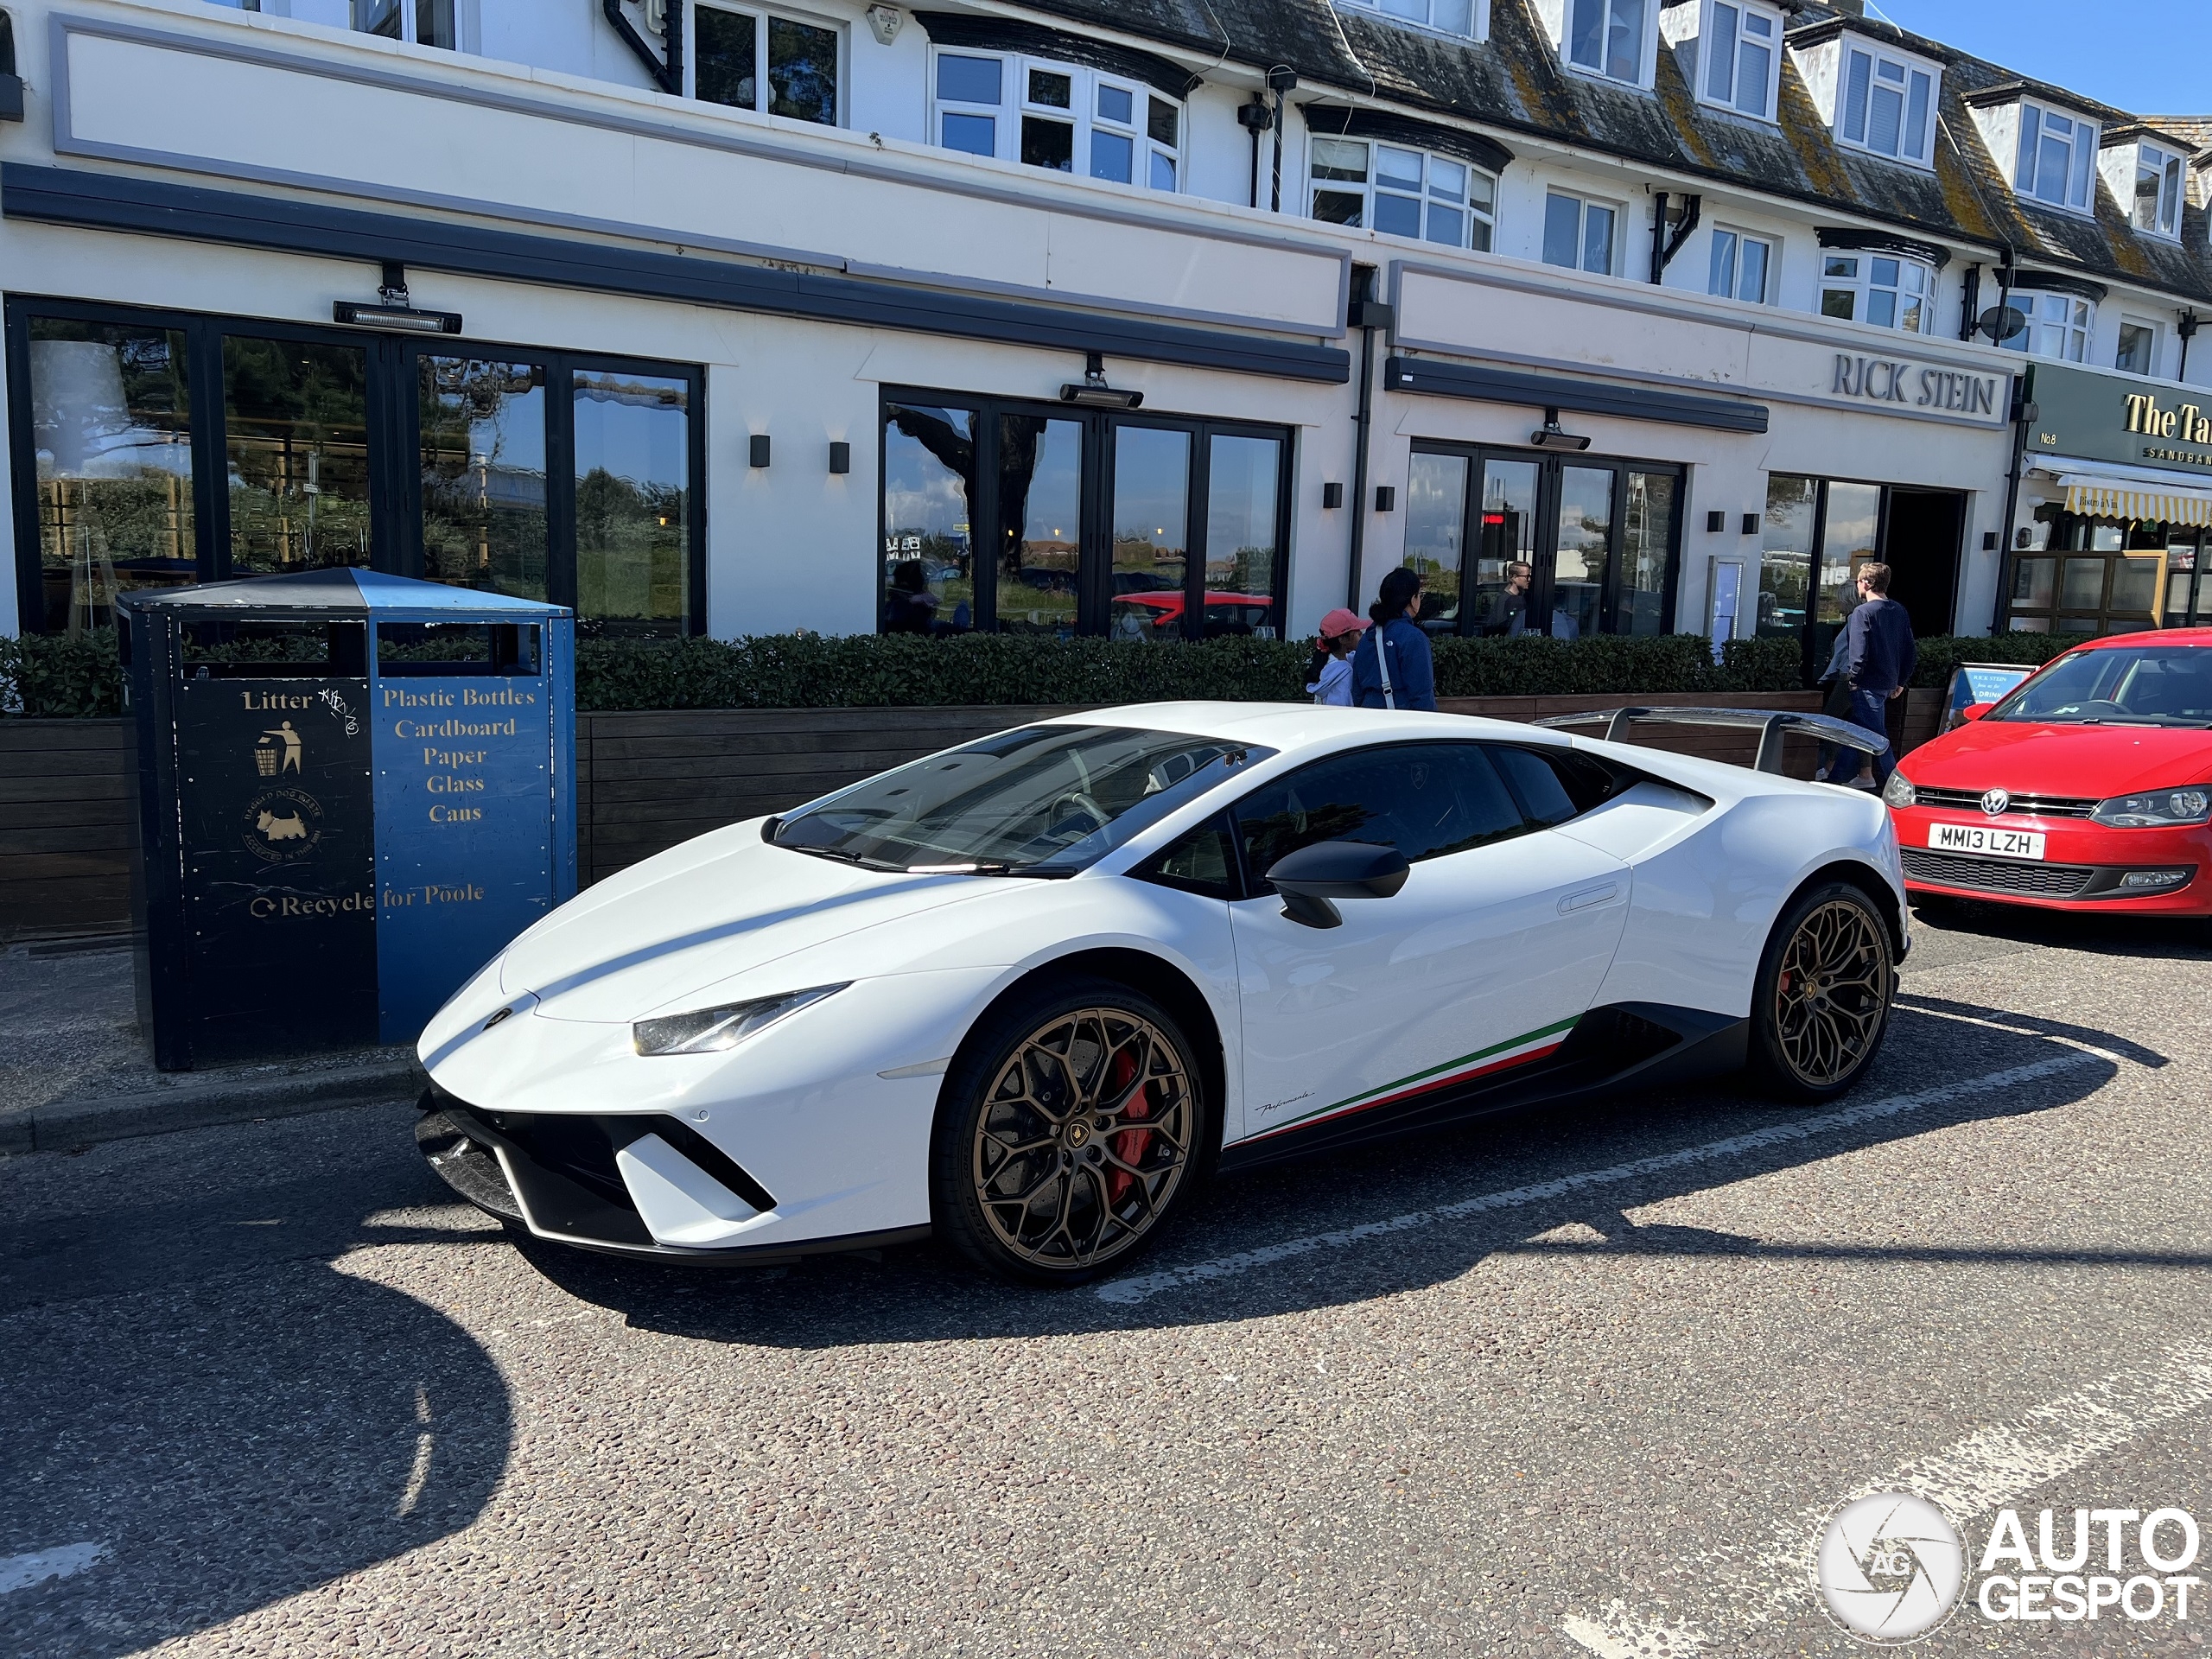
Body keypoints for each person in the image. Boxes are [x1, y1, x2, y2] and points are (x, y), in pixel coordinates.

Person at [1834, 562, 1916, 788]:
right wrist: (1900, 680)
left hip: (1867, 683)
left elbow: (1858, 653)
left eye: (1859, 580)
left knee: (1877, 735)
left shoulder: (1862, 612)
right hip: (1887, 682)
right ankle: (1837, 779)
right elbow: (1910, 650)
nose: (1858, 584)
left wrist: (1853, 679)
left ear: (1867, 584)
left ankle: (1898, 783)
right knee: (1858, 731)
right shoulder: (1898, 610)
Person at [1350, 567, 1436, 710]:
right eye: (1419, 595)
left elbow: (1357, 692)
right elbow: (1422, 695)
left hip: (1368, 719)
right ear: (1413, 599)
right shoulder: (1414, 638)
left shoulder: (1367, 637)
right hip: (1401, 723)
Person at [1305, 608, 1366, 706]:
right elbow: (1344, 709)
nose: (1362, 636)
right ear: (1343, 639)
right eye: (1358, 633)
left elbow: (1353, 656)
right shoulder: (1344, 672)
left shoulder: (1328, 662)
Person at [1484, 561, 1534, 636]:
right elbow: (1500, 626)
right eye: (1526, 577)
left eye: (1530, 576)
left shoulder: (1524, 596)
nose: (1529, 580)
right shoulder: (1504, 600)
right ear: (1514, 578)